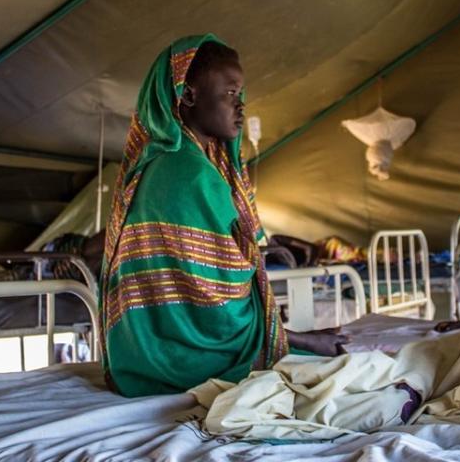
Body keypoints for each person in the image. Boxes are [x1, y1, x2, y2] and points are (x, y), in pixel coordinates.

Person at [101, 34, 346, 397]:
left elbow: (208, 291)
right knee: (339, 376)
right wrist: (291, 340)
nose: (241, 107)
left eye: (241, 95)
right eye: (230, 94)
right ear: (188, 95)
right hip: (178, 361)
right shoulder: (189, 172)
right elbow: (219, 305)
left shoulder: (165, 161)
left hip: (136, 358)